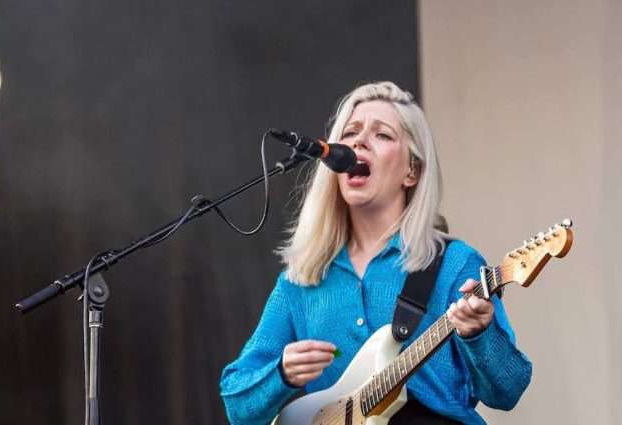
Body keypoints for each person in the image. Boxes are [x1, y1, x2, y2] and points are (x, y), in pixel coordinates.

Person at [219, 82, 531, 425]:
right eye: (350, 132)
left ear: (412, 171)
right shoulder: (302, 279)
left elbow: (508, 391)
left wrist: (479, 333)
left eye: (382, 134)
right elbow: (237, 404)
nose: (359, 141)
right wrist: (281, 374)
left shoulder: (453, 264)